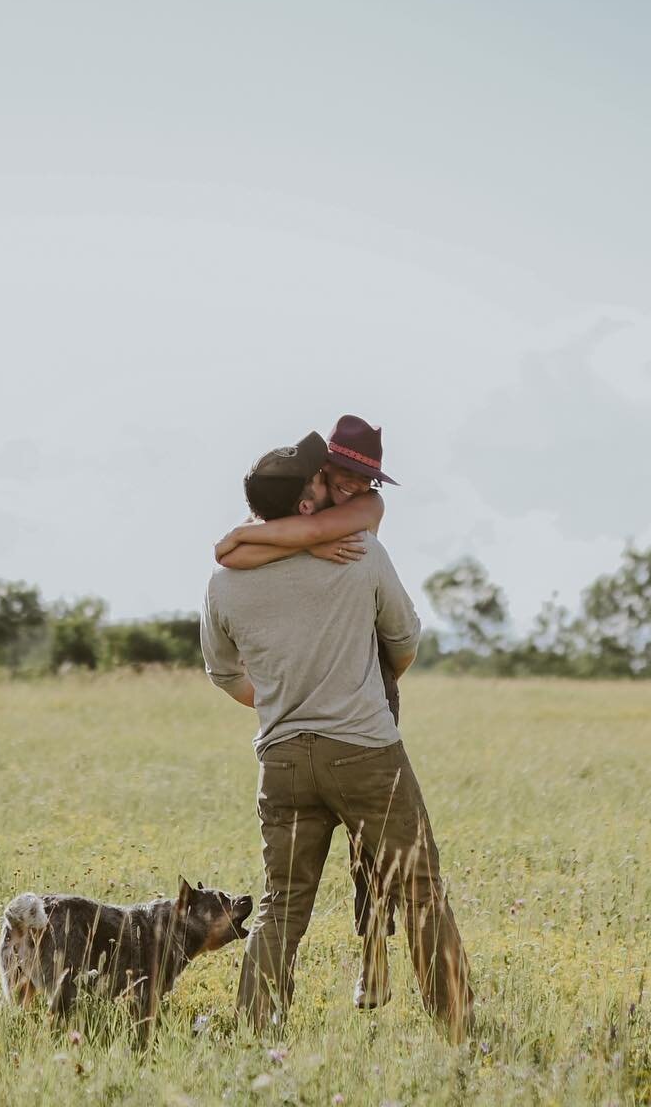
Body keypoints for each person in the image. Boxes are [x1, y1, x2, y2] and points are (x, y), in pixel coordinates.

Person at [200, 432, 472, 1042]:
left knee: (281, 905)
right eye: (320, 481)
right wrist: (363, 691)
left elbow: (223, 673)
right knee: (422, 892)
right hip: (366, 752)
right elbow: (403, 640)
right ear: (304, 505)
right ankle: (457, 1029)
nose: (332, 484)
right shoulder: (361, 553)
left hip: (283, 760)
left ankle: (255, 1033)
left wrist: (278, 703)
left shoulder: (223, 583)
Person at [211, 416, 403, 1006]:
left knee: (372, 860)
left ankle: (373, 962)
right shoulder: (304, 521)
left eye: (363, 478)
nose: (350, 486)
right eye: (340, 474)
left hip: (362, 697)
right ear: (319, 475)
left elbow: (232, 552)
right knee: (293, 888)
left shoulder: (364, 517)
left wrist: (299, 538)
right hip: (310, 711)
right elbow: (229, 549)